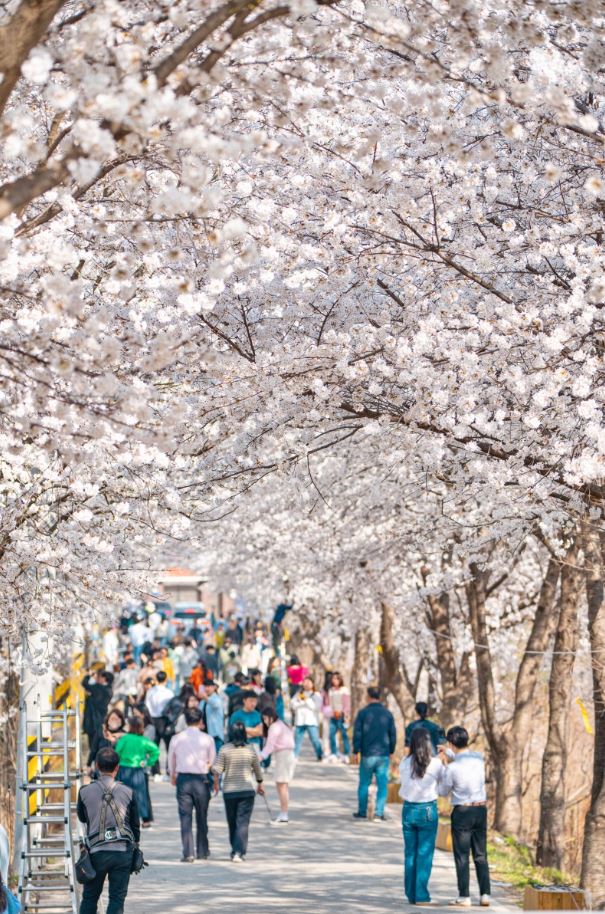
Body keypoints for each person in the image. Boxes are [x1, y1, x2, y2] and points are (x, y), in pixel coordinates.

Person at [77, 747, 140, 914]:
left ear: (97, 765)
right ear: (117, 767)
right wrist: (136, 845)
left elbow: (83, 818)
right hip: (122, 852)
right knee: (117, 899)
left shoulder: (84, 792)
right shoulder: (128, 792)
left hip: (96, 852)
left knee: (90, 897)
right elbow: (135, 824)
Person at [439, 726, 491, 908]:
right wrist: (449, 752)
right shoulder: (478, 758)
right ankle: (485, 894)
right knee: (480, 854)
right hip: (480, 810)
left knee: (462, 855)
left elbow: (442, 791)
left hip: (462, 812)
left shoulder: (451, 769)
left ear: (451, 743)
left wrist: (444, 766)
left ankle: (464, 896)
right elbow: (464, 758)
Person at [400, 727, 446, 905]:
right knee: (424, 854)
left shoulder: (405, 762)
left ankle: (411, 893)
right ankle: (421, 895)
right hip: (427, 811)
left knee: (410, 853)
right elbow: (443, 788)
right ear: (429, 743)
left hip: (408, 810)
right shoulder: (435, 764)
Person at [168, 707, 216, 863]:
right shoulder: (208, 739)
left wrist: (173, 775)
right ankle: (202, 850)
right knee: (202, 816)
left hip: (183, 780)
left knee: (185, 817)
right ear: (201, 721)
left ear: (185, 720)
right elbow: (213, 762)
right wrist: (215, 780)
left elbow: (171, 760)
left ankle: (188, 852)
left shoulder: (176, 738)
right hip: (202, 780)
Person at [211, 721, 264, 862]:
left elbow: (217, 770)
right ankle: (238, 852)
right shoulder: (250, 749)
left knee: (232, 821)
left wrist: (216, 784)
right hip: (247, 790)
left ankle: (235, 849)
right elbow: (257, 769)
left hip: (229, 791)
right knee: (243, 822)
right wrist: (260, 783)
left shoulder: (224, 749)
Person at [352, 686, 397, 821]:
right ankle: (379, 813)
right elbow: (393, 734)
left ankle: (362, 811)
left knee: (364, 783)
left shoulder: (363, 713)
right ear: (379, 697)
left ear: (368, 697)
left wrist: (356, 750)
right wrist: (391, 750)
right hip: (383, 754)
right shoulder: (388, 714)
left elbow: (357, 733)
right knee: (382, 784)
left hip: (367, 754)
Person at [115, 717, 160, 827]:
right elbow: (156, 751)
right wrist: (148, 762)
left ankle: (122, 818)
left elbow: (116, 752)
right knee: (139, 795)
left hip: (124, 770)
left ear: (130, 726)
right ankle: (141, 818)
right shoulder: (143, 740)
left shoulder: (124, 739)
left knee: (123, 795)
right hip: (138, 771)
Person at [260, 708, 295, 822]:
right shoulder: (281, 724)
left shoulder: (274, 727)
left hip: (283, 756)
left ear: (271, 717)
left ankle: (284, 814)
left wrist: (259, 757)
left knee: (282, 786)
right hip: (287, 755)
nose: (265, 721)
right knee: (283, 786)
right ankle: (284, 812)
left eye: (265, 718)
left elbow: (269, 746)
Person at [145, 670, 174, 775]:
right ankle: (168, 769)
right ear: (166, 679)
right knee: (169, 747)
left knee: (154, 747)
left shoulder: (150, 692)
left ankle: (155, 771)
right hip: (165, 721)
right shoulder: (169, 692)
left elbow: (147, 706)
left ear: (156, 679)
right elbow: (172, 708)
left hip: (153, 720)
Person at [291, 676, 323, 760]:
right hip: (300, 720)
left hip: (311, 721)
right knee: (297, 739)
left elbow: (317, 707)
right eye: (305, 682)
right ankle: (295, 755)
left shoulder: (316, 694)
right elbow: (293, 705)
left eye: (309, 682)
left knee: (315, 739)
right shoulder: (299, 693)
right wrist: (302, 703)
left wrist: (306, 701)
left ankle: (320, 755)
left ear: (312, 684)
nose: (307, 684)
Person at [82, 669, 113, 747]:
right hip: (102, 720)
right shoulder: (109, 690)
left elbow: (84, 683)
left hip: (92, 720)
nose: (98, 679)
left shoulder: (98, 688)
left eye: (100, 677)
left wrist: (89, 675)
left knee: (92, 743)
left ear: (104, 678)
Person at [324, 671, 351, 760]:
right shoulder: (331, 690)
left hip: (341, 715)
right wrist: (331, 712)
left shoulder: (344, 690)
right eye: (333, 679)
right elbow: (329, 703)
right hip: (333, 715)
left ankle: (347, 753)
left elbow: (346, 704)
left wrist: (345, 714)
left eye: (336, 679)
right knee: (331, 734)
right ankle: (334, 752)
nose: (334, 680)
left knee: (344, 734)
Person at [201, 680, 225, 752]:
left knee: (217, 760)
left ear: (214, 687)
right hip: (205, 734)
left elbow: (215, 704)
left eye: (209, 686)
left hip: (215, 734)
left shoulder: (217, 698)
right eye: (205, 687)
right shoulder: (203, 701)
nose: (207, 689)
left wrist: (206, 698)